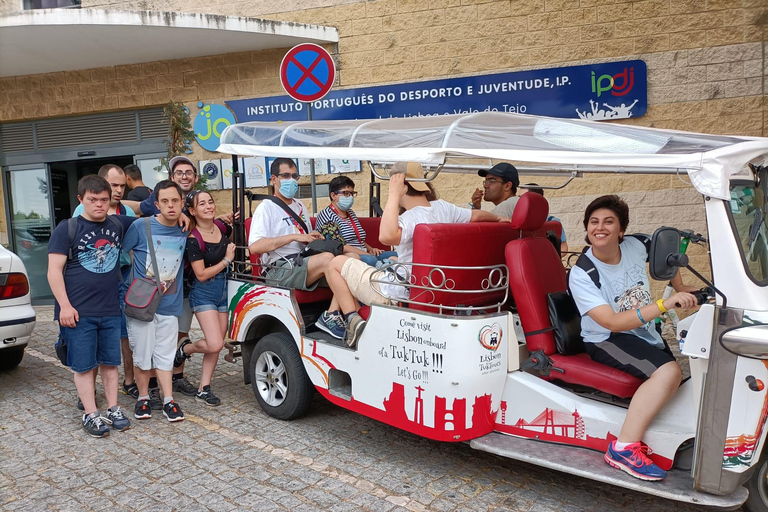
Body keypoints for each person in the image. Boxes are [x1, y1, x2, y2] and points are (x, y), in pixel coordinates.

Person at [568, 195, 699, 481]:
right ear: (587, 228)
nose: (599, 228)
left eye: (608, 222)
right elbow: (611, 321)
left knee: (679, 376)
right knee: (669, 373)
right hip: (606, 337)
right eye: (594, 222)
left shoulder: (637, 245)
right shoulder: (583, 273)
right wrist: (665, 304)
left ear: (621, 230)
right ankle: (623, 448)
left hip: (642, 330)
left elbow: (668, 256)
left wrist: (680, 285)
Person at [326, 162, 506, 346]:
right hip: (440, 287)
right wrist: (500, 218)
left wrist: (394, 195)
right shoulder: (444, 208)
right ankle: (360, 321)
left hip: (396, 294)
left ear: (401, 186)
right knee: (387, 260)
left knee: (335, 263)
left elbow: (385, 236)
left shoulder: (410, 219)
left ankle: (352, 319)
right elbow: (476, 216)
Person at [47, 175, 137, 437]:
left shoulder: (118, 223)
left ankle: (113, 408)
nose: (99, 205)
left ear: (111, 200)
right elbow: (53, 270)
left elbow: (152, 220)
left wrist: (181, 217)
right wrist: (64, 306)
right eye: (93, 200)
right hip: (77, 311)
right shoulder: (68, 228)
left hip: (110, 308)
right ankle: (90, 413)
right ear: (81, 200)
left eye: (104, 200)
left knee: (110, 363)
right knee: (84, 365)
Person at [248, 158, 354, 340]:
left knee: (351, 259)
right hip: (279, 268)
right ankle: (342, 317)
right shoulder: (266, 207)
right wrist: (294, 237)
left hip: (302, 260)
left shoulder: (299, 205)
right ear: (274, 179)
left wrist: (311, 237)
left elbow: (302, 236)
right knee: (329, 259)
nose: (292, 180)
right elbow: (255, 246)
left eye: (295, 176)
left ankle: (333, 313)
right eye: (286, 176)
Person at [71, 164, 142, 407]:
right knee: (91, 334)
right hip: (93, 278)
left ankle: (129, 381)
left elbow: (135, 243)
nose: (119, 190)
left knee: (124, 332)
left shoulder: (126, 213)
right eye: (114, 185)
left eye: (122, 185)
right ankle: (88, 391)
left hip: (121, 276)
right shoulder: (82, 210)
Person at [122, 180, 189, 422]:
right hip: (141, 305)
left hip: (169, 305)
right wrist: (126, 287)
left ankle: (169, 399)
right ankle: (143, 398)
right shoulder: (141, 226)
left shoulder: (184, 228)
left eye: (175, 201)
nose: (171, 206)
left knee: (165, 355)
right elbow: (121, 253)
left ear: (182, 203)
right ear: (157, 204)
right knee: (142, 354)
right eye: (165, 201)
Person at [173, 190, 235, 406]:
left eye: (210, 202)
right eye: (202, 204)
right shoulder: (193, 239)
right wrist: (227, 260)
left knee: (216, 342)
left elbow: (231, 227)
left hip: (222, 291)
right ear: (192, 211)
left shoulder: (221, 228)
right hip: (204, 292)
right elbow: (201, 274)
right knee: (215, 343)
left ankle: (204, 387)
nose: (209, 206)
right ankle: (184, 349)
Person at [315, 175, 396, 266]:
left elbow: (357, 238)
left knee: (394, 254)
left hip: (364, 253)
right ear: (333, 195)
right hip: (346, 256)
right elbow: (339, 246)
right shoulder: (327, 216)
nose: (350, 197)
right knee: (371, 261)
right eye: (346, 193)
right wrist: (367, 254)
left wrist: (371, 249)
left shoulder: (350, 213)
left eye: (352, 193)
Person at [525, 183, 569, 254]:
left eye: (522, 197)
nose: (519, 201)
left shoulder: (553, 222)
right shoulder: (519, 222)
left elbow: (563, 248)